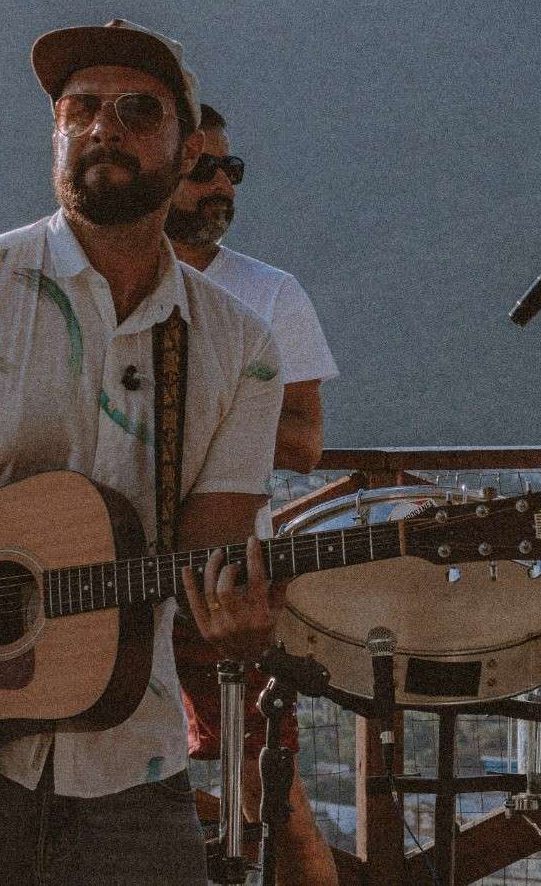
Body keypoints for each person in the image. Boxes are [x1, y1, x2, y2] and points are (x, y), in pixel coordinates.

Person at [0, 19, 285, 885]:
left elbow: (208, 556)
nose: (105, 126)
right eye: (81, 108)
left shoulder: (240, 348)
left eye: (139, 110)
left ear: (187, 154)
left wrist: (237, 621)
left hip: (132, 772)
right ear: (56, 135)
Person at [168, 102, 340, 886]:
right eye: (203, 169)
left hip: (225, 580)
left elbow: (305, 442)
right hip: (99, 575)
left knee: (269, 788)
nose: (222, 186)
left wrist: (191, 409)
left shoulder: (269, 294)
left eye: (230, 170)